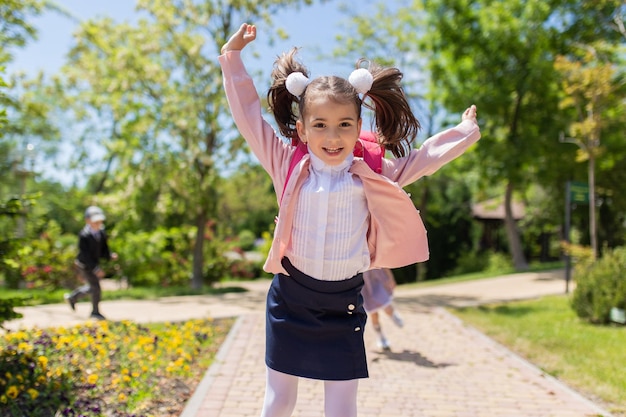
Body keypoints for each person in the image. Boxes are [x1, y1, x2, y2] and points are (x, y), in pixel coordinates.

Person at [219, 23, 480, 417]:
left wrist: (464, 131)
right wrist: (232, 57)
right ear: (303, 129)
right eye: (320, 125)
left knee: (341, 406)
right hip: (290, 299)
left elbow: (422, 160)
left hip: (342, 303)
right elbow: (249, 116)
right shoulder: (286, 164)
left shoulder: (371, 172)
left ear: (359, 128)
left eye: (344, 124)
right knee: (279, 399)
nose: (332, 135)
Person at [65, 206, 117, 320]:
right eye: (95, 221)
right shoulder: (84, 235)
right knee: (95, 287)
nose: (98, 223)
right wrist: (96, 269)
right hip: (84, 264)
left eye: (100, 221)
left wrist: (109, 255)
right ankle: (95, 311)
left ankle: (73, 297)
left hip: (93, 263)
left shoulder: (101, 232)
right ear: (88, 220)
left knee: (93, 287)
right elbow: (85, 255)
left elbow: (104, 248)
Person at [362, 268, 404, 350]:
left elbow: (384, 262)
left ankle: (392, 314)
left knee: (386, 304)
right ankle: (381, 337)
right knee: (374, 314)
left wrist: (390, 277)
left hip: (377, 278)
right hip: (364, 283)